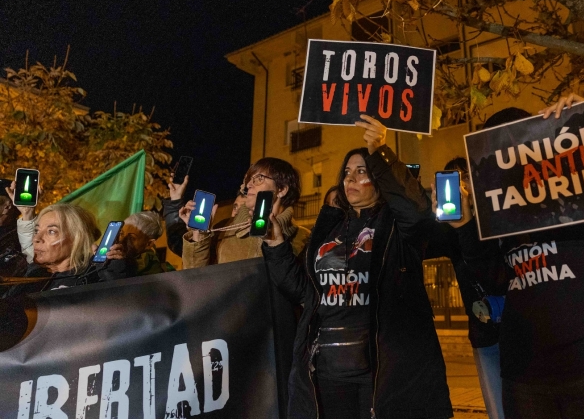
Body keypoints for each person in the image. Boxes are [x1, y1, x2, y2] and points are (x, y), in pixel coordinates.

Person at [448, 94, 584, 419]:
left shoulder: (579, 187)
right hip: (528, 375)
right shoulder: (496, 215)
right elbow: (496, 281)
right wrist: (465, 227)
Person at [261, 115, 452, 419]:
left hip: (380, 375)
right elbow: (302, 290)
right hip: (326, 374)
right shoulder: (331, 230)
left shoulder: (396, 227)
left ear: (378, 178)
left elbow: (415, 213)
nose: (350, 178)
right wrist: (275, 245)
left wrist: (380, 151)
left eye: (362, 171)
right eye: (347, 172)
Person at [440, 157, 507, 419]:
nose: (461, 186)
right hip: (485, 335)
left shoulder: (499, 216)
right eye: (453, 180)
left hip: (522, 330)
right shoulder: (449, 230)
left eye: (465, 177)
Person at [180, 157, 310, 268]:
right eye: (249, 179)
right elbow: (194, 278)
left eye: (259, 178)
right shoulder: (222, 230)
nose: (249, 185)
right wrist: (199, 235)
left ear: (281, 189)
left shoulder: (304, 238)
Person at [3, 203, 125, 297]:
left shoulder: (98, 275)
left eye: (51, 231)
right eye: (37, 231)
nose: (36, 238)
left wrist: (116, 268)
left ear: (77, 239)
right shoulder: (26, 271)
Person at [119, 211, 175, 276]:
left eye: (131, 238)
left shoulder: (144, 269)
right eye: (121, 234)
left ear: (149, 244)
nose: (121, 241)